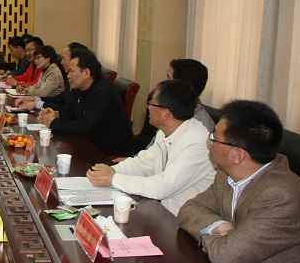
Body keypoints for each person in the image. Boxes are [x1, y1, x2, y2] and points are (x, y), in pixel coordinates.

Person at [178, 100, 300, 263]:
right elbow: (189, 209)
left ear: (237, 155)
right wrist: (220, 227)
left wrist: (217, 238)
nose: (210, 142)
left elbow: (227, 258)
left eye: (214, 138)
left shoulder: (280, 196)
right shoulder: (228, 175)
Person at [87, 80, 216, 215]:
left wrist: (113, 178)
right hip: (162, 211)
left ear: (165, 113)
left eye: (151, 104)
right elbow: (144, 163)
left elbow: (163, 186)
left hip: (185, 219)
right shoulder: (166, 131)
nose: (148, 107)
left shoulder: (196, 143)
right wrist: (111, 170)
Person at [38, 48, 133, 156]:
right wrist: (57, 115)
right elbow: (71, 112)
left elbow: (87, 128)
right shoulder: (80, 88)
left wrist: (54, 122)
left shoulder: (103, 92)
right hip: (88, 143)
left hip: (108, 152)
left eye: (72, 71)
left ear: (86, 73)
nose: (68, 76)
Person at [135, 58, 214, 152]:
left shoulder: (199, 131)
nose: (164, 84)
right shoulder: (170, 110)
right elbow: (151, 155)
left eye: (168, 79)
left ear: (179, 88)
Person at [15, 42, 88, 111]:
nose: (61, 62)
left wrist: (32, 95)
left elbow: (42, 93)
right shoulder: (45, 70)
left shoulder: (54, 73)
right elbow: (59, 99)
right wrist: (34, 99)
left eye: (63, 58)